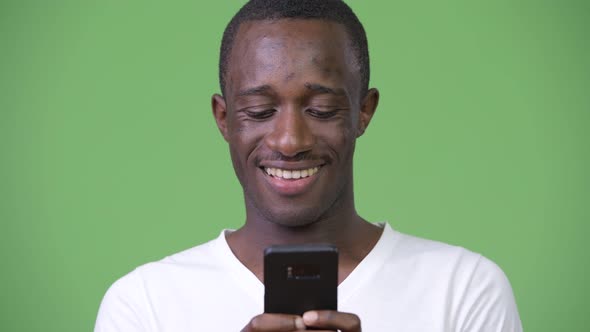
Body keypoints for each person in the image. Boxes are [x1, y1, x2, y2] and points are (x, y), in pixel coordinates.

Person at [95, 0, 522, 331]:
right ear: (224, 119)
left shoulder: (463, 290)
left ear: (363, 112)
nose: (290, 141)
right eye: (260, 111)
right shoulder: (144, 304)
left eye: (320, 109)